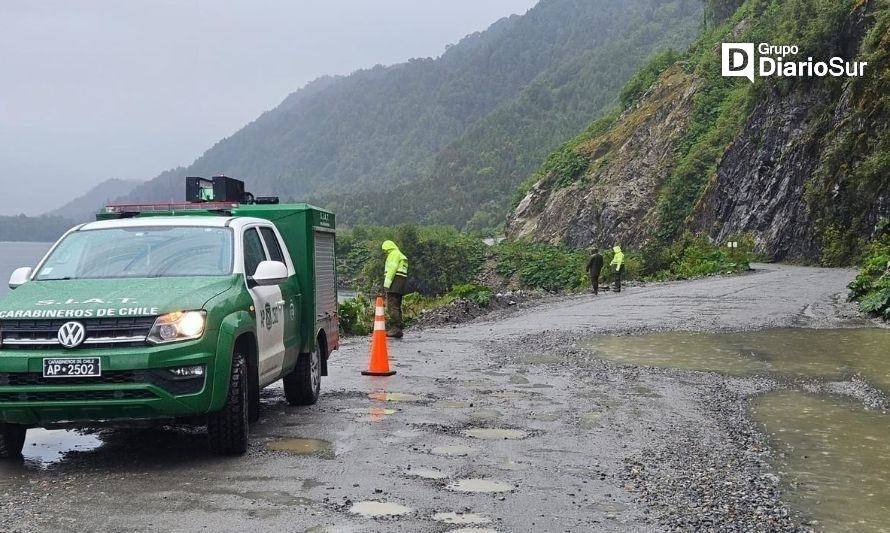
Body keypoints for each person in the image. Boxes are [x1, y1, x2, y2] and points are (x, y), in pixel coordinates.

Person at [381, 240, 409, 338]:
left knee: (392, 306)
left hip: (395, 283)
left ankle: (395, 329)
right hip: (401, 283)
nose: (385, 253)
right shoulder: (400, 254)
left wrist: (386, 284)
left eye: (385, 251)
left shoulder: (393, 254)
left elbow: (392, 270)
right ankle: (398, 328)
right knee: (397, 305)